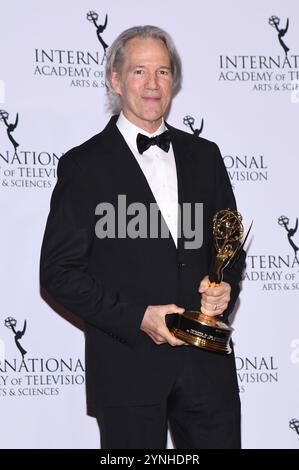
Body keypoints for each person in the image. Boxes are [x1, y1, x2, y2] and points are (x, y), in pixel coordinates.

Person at [40, 25, 245, 449]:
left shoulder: (207, 157)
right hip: (127, 369)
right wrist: (138, 317)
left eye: (163, 72)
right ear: (115, 80)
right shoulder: (83, 166)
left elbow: (230, 248)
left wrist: (224, 288)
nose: (152, 84)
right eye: (139, 72)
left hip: (207, 369)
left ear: (175, 81)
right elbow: (58, 273)